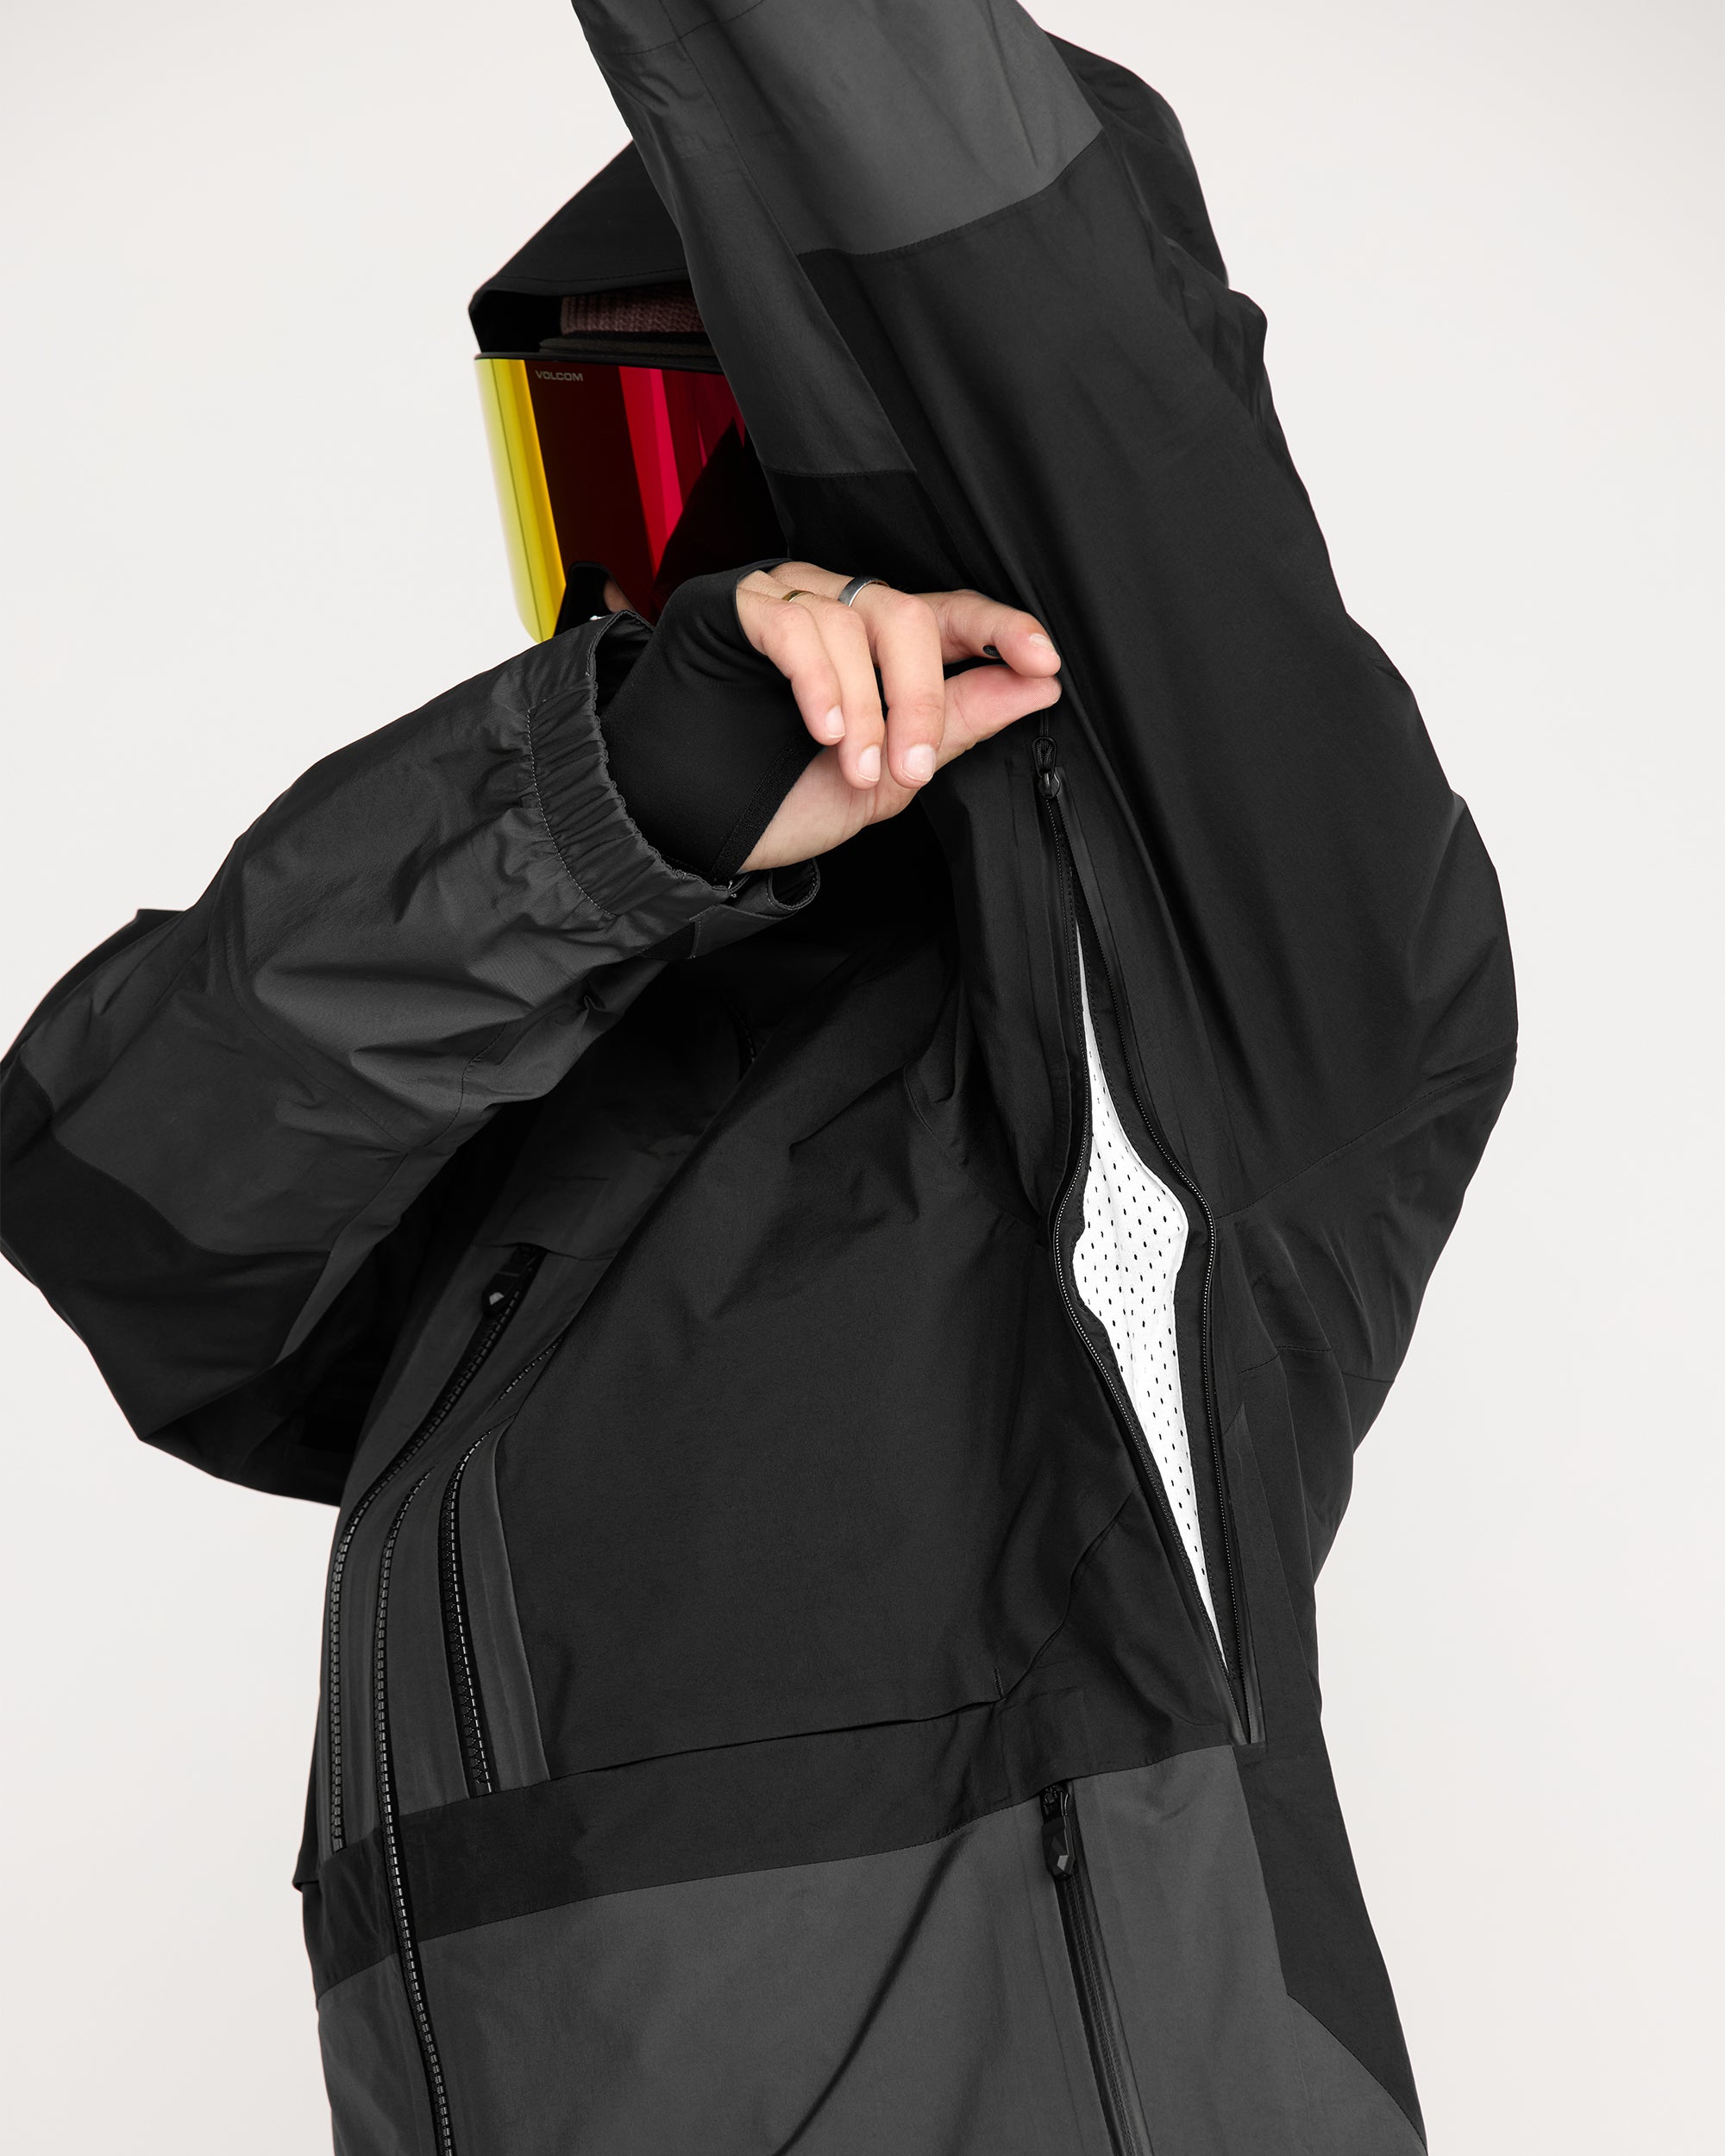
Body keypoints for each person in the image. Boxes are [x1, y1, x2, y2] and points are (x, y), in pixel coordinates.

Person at [0, 9, 1515, 2153]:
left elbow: (1054, 379)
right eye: (604, 468)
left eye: (719, 460)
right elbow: (129, 1203)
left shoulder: (1229, 1006)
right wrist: (609, 809)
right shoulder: (551, 1095)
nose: (682, 564)